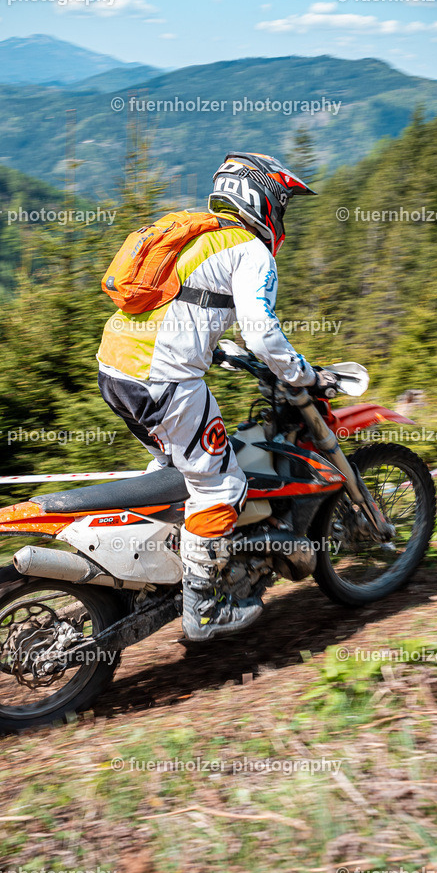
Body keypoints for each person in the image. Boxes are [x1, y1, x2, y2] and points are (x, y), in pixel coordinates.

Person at [96, 151, 339, 641]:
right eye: (283, 203)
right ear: (263, 198)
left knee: (177, 473)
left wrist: (217, 349)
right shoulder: (253, 251)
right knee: (220, 487)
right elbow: (263, 332)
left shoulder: (197, 233)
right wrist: (302, 375)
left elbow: (184, 306)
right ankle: (204, 610)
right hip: (165, 382)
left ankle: (162, 568)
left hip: (114, 370)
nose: (282, 215)